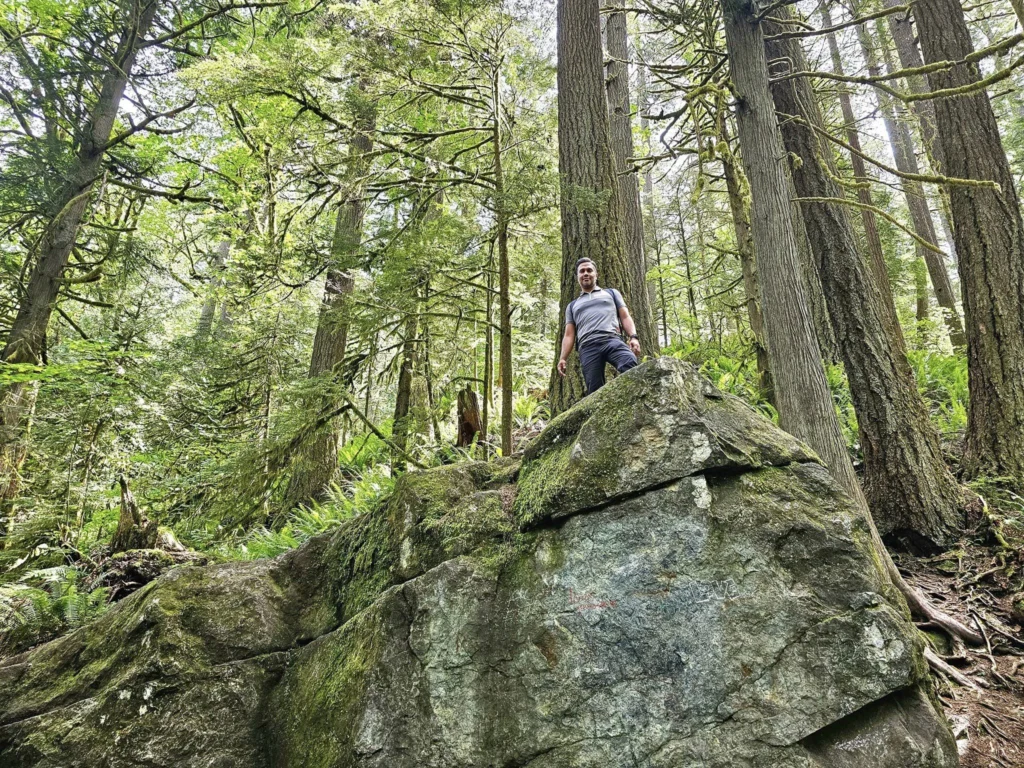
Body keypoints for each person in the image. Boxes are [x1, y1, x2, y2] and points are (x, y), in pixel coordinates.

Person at [556, 257, 640, 394]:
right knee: (594, 390)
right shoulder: (572, 306)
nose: (586, 273)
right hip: (588, 347)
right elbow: (569, 334)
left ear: (596, 274)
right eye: (582, 271)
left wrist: (634, 337)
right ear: (578, 277)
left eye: (589, 270)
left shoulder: (611, 293)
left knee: (630, 364)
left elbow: (625, 316)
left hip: (612, 340)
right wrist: (562, 358)